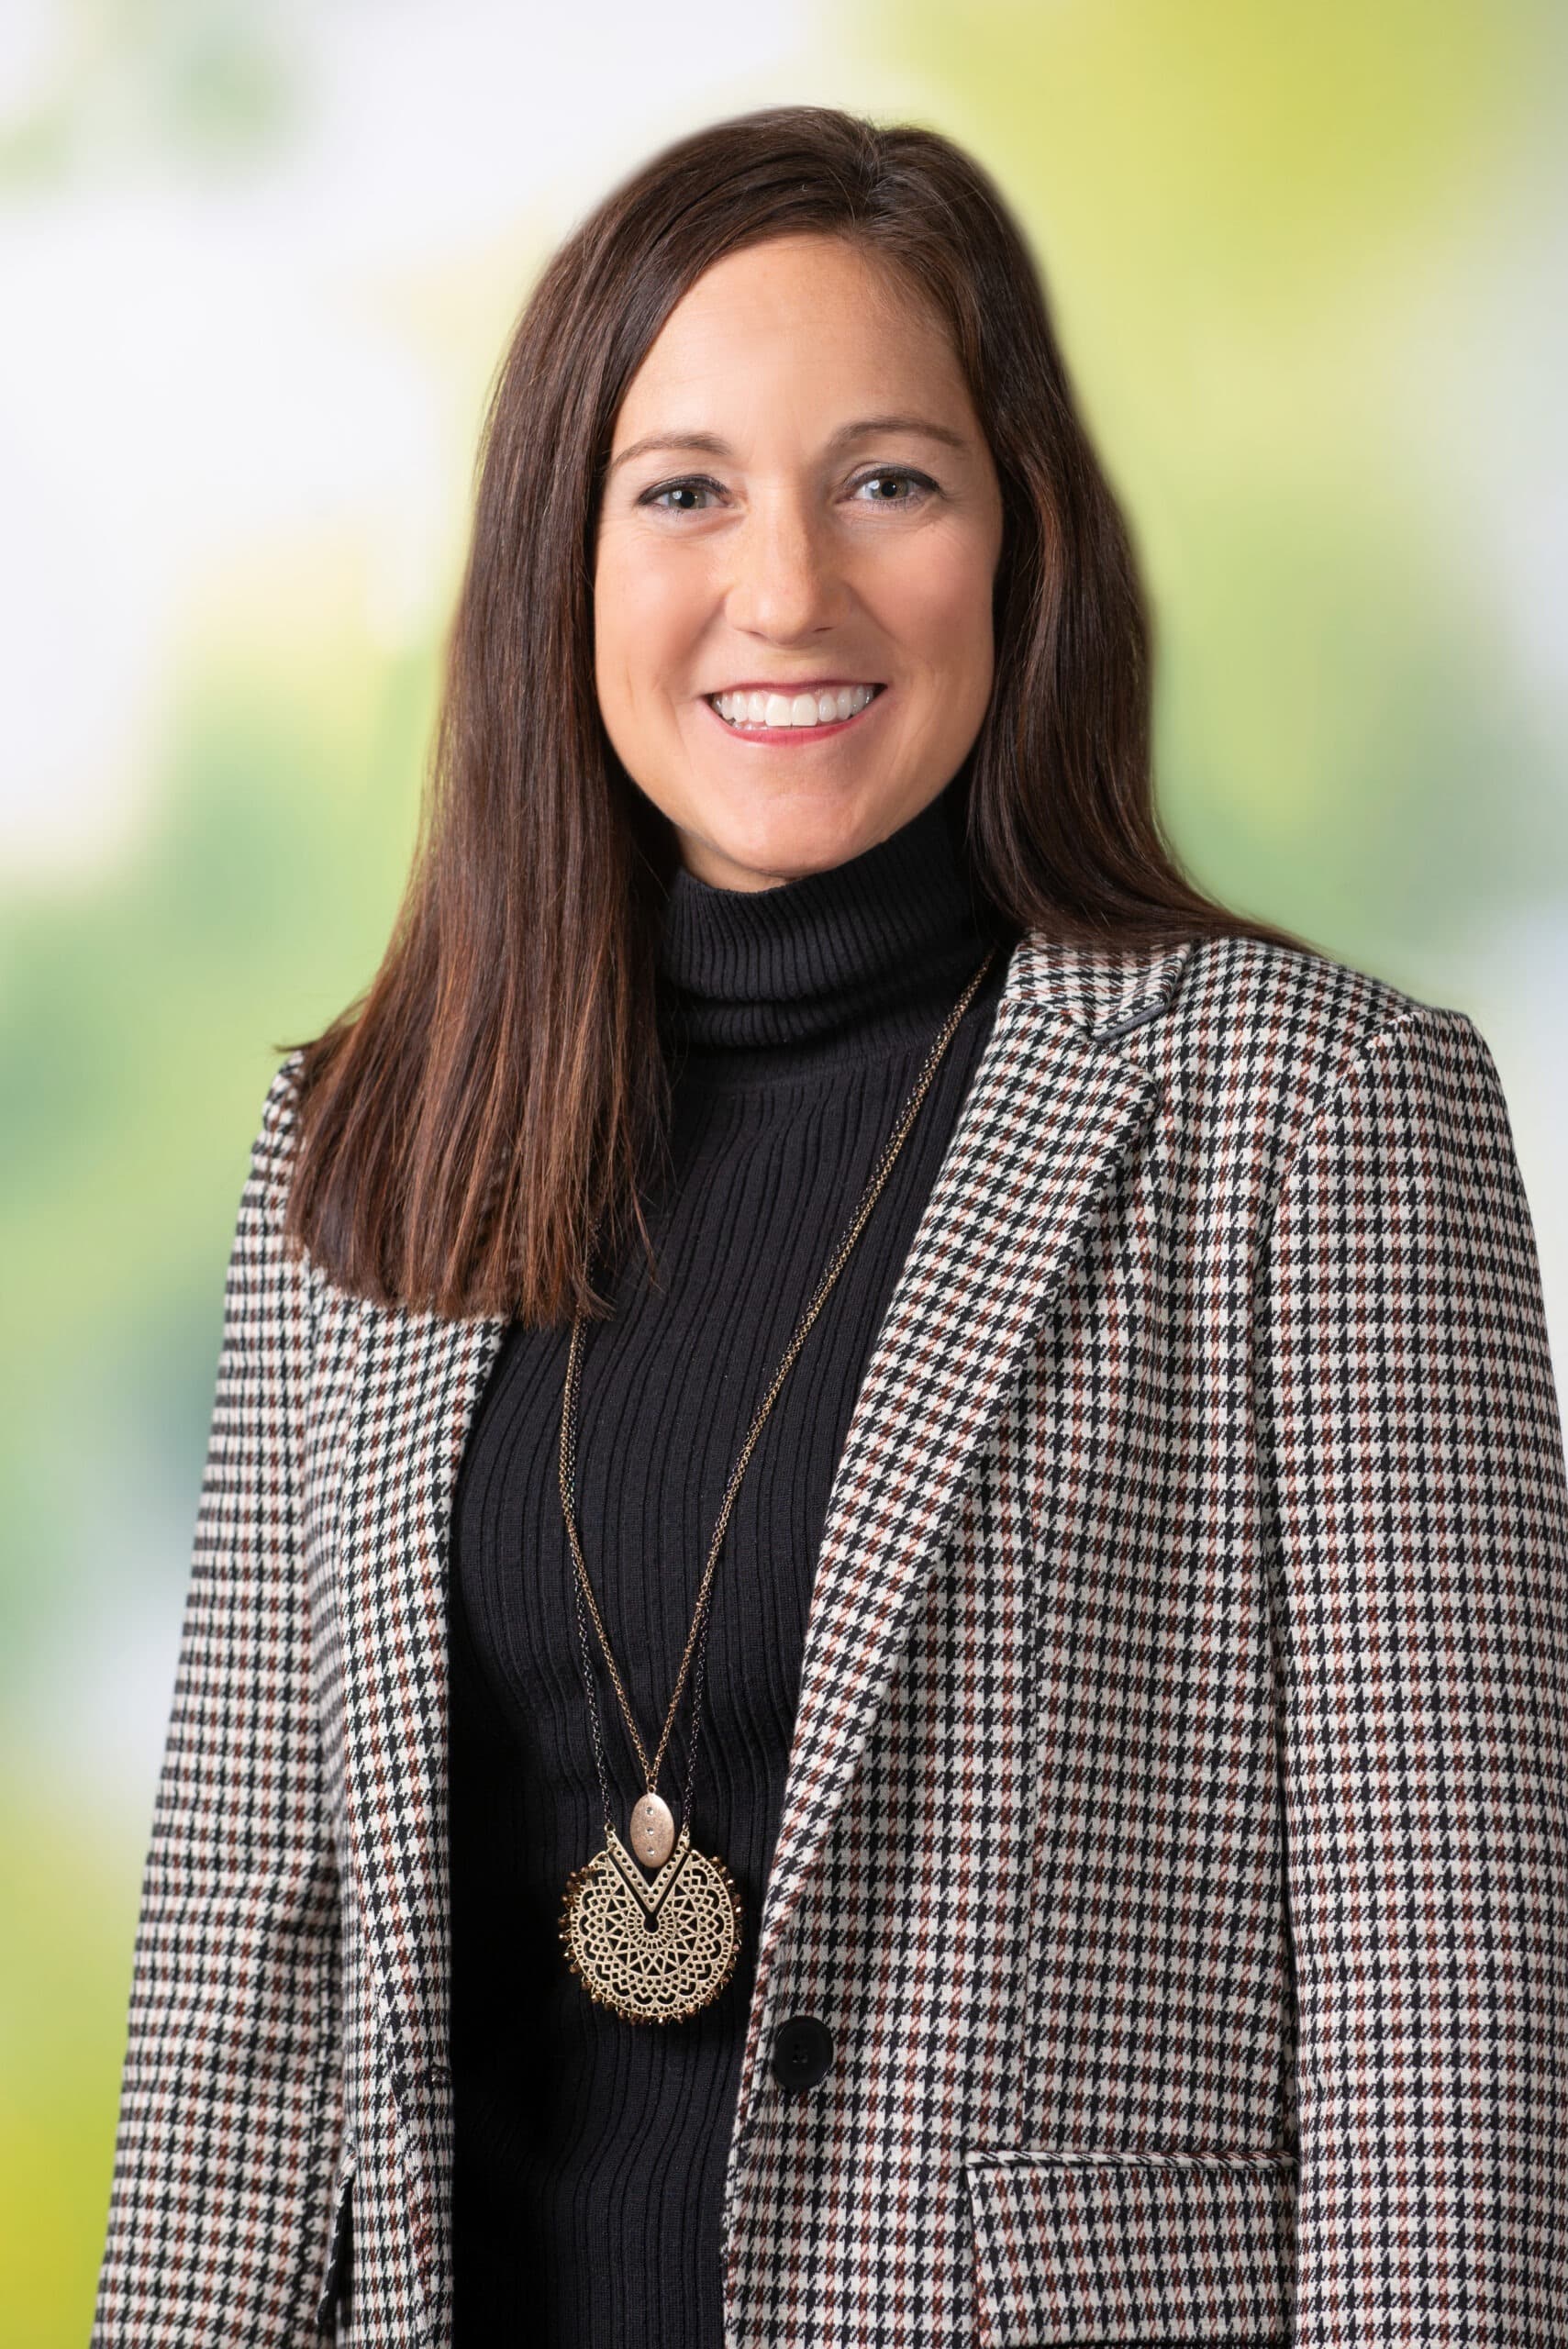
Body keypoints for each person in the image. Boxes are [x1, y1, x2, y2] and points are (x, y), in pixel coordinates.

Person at [92, 103, 1568, 2349]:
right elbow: (234, 2013)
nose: (786, 589)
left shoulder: (1310, 1114)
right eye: (682, 491)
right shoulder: (362, 1148)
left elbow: (1450, 2033)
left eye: (889, 479)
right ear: (558, 568)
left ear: (1021, 545)